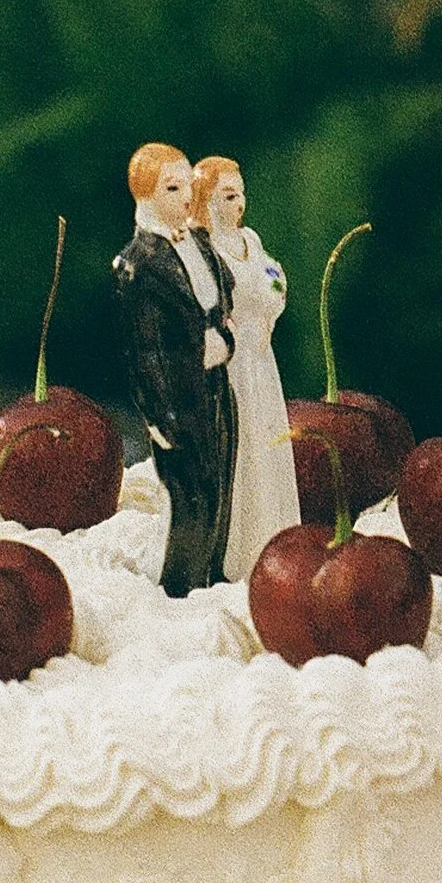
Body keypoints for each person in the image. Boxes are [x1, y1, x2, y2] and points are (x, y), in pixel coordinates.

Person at [113, 141, 236, 596]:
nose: (186, 196)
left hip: (215, 384)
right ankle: (178, 587)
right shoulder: (138, 265)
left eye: (188, 185)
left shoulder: (197, 242)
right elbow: (143, 352)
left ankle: (212, 574)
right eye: (171, 186)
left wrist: (223, 336)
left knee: (219, 479)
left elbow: (219, 296)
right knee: (188, 492)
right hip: (176, 398)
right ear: (143, 194)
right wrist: (158, 417)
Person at [194, 155, 298, 581]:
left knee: (267, 445)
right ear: (206, 200)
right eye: (229, 195)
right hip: (229, 370)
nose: (239, 204)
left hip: (260, 360)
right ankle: (234, 551)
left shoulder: (250, 240)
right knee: (238, 450)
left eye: (242, 194)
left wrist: (269, 302)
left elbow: (275, 276)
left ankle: (273, 535)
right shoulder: (204, 251)